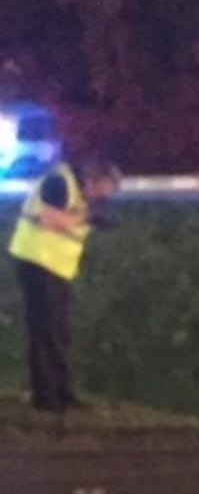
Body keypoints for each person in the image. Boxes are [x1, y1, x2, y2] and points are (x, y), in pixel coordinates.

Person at [8, 157, 121, 413]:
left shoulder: (76, 190)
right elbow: (49, 219)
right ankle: (47, 398)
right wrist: (89, 219)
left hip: (55, 268)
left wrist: (88, 217)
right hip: (36, 261)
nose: (102, 198)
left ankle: (62, 393)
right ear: (94, 180)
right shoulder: (59, 182)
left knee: (59, 331)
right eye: (104, 191)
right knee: (46, 332)